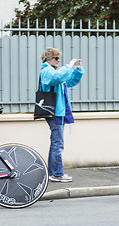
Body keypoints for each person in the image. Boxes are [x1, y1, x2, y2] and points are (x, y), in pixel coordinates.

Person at [39, 47, 84, 183]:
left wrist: (77, 71)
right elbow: (57, 78)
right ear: (48, 59)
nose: (58, 60)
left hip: (58, 112)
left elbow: (69, 81)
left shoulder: (53, 71)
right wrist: (69, 66)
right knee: (58, 144)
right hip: (54, 112)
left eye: (59, 58)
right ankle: (57, 174)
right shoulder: (46, 71)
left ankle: (53, 173)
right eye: (56, 58)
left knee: (56, 143)